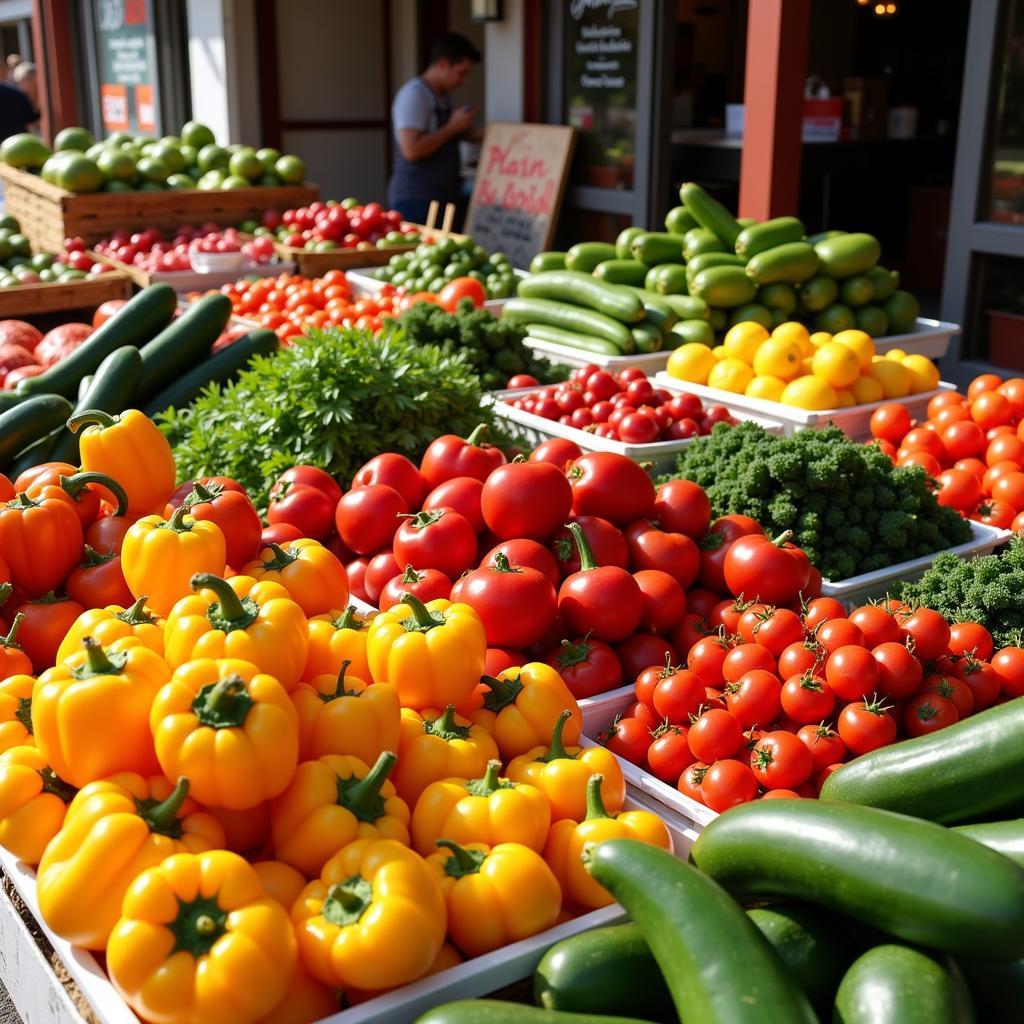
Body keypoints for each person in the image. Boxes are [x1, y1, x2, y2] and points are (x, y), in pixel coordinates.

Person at [387, 32, 481, 226]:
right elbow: (411, 150)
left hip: (441, 199)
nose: (462, 81)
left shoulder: (442, 97)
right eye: (461, 73)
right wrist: (453, 126)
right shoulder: (414, 95)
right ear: (443, 64)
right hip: (416, 200)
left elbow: (446, 134)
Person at [0, 62, 37, 141]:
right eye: (20, 82)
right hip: (20, 145)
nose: (23, 85)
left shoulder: (18, 93)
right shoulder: (18, 93)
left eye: (25, 81)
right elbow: (31, 119)